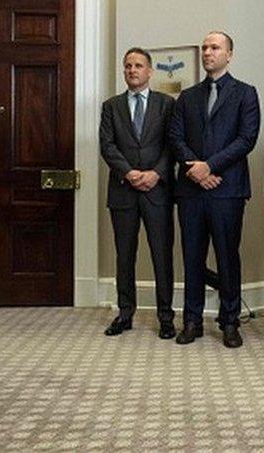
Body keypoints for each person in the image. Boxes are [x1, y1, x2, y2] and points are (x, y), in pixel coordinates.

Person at [168, 31, 259, 348]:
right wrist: (196, 169)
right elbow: (175, 138)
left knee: (227, 258)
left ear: (229, 54)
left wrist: (211, 166)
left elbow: (246, 139)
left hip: (227, 190)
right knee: (192, 257)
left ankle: (230, 321)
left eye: (215, 47)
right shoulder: (187, 96)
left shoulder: (246, 93)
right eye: (205, 47)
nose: (208, 52)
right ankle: (192, 320)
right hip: (191, 191)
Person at [99, 47, 176, 339]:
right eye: (128, 66)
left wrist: (156, 173)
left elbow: (172, 145)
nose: (133, 70)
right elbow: (107, 145)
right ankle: (125, 313)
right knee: (124, 256)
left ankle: (166, 317)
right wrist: (129, 173)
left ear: (149, 71)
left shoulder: (166, 104)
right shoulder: (111, 106)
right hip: (123, 191)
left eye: (138, 65)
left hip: (157, 191)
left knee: (161, 256)